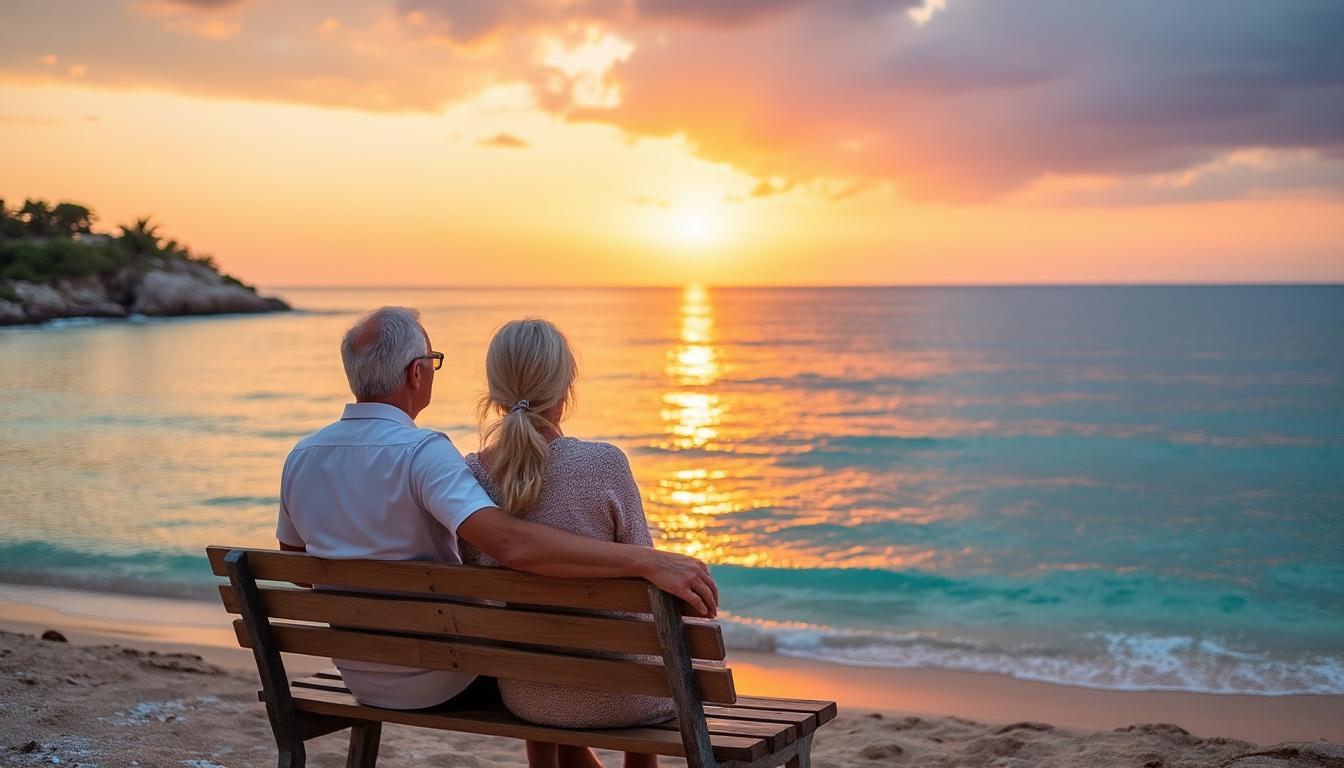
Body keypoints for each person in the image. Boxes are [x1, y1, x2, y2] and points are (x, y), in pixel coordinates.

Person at [274, 307, 717, 716]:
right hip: (441, 677)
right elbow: (510, 545)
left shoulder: (302, 455)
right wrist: (649, 560)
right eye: (432, 360)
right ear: (417, 372)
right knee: (534, 673)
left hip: (362, 676)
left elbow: (296, 567)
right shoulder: (423, 454)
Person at [461, 318, 675, 768]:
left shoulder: (470, 479)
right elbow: (648, 585)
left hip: (526, 693)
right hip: (627, 696)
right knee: (648, 658)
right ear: (565, 388)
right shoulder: (603, 465)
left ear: (496, 391)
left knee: (549, 655)